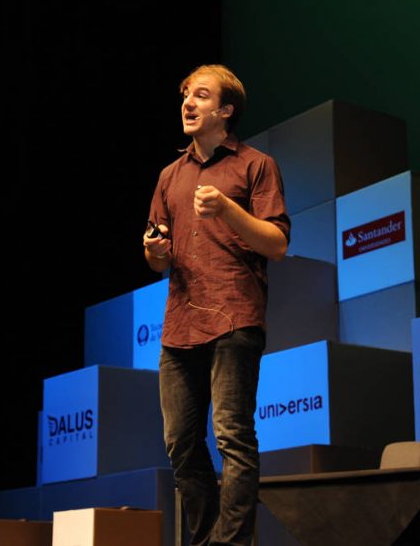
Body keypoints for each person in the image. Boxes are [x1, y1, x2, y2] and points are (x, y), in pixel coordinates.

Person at [142, 64, 290, 546]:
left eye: (201, 96)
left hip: (234, 317)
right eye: (185, 94)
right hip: (179, 323)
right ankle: (207, 540)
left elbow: (277, 242)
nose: (188, 103)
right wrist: (155, 250)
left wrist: (227, 208)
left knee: (232, 437)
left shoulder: (255, 165)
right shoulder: (169, 175)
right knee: (181, 444)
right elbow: (154, 255)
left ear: (225, 111)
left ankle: (231, 544)